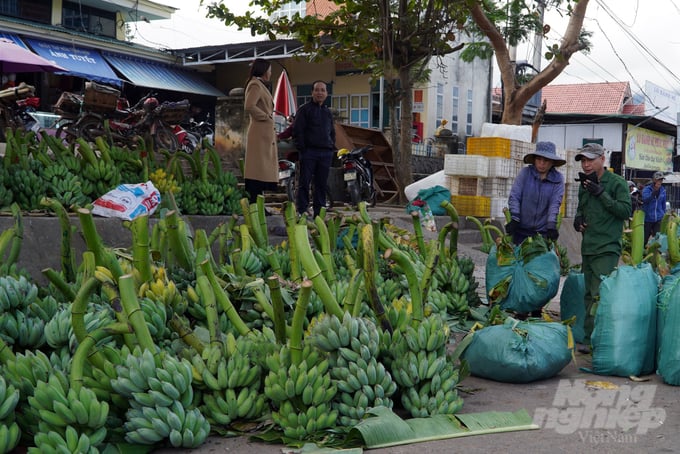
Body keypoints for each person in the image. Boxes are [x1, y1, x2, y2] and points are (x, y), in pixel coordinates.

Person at [572, 143, 631, 354]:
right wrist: (578, 220)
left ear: (602, 159)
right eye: (583, 161)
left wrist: (601, 193)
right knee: (588, 295)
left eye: (590, 160)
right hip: (589, 246)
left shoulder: (616, 183)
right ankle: (589, 340)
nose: (586, 164)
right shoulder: (585, 184)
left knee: (599, 296)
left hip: (607, 247)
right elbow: (581, 208)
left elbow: (625, 211)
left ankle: (600, 341)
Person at [506, 141, 566, 245]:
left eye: (546, 160)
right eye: (539, 159)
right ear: (534, 160)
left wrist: (551, 225)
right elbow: (515, 196)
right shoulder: (525, 173)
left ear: (552, 162)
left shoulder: (558, 179)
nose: (541, 163)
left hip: (542, 233)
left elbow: (554, 204)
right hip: (521, 229)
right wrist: (515, 218)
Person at [293, 80, 335, 218]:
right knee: (304, 182)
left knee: (321, 184)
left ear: (327, 93)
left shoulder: (328, 112)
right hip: (309, 152)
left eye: (323, 90)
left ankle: (319, 213)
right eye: (317, 90)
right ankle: (302, 210)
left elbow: (332, 132)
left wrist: (331, 148)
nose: (320, 93)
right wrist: (302, 149)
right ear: (312, 92)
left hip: (325, 153)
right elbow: (297, 131)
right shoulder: (304, 110)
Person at [243, 58, 278, 204]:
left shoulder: (260, 85)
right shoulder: (255, 85)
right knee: (258, 170)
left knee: (262, 171)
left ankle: (258, 204)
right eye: (269, 70)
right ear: (264, 71)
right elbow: (249, 105)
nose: (271, 73)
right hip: (259, 133)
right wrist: (265, 117)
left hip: (264, 133)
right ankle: (254, 205)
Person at [641, 171, 667, 242]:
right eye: (658, 180)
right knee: (644, 238)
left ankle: (656, 252)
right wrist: (653, 194)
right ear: (654, 180)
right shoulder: (647, 189)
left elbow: (663, 204)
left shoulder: (663, 190)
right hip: (648, 218)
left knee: (657, 239)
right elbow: (645, 200)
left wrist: (664, 215)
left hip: (659, 218)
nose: (660, 182)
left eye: (661, 180)